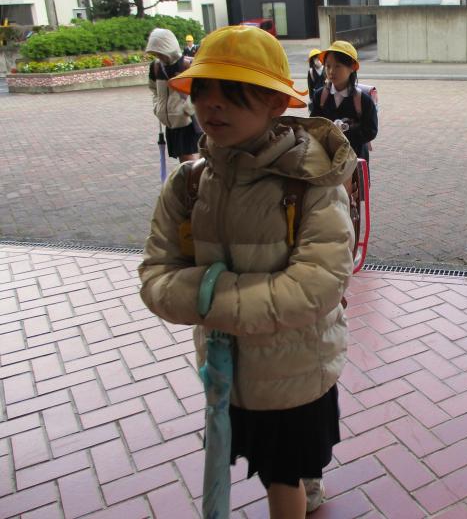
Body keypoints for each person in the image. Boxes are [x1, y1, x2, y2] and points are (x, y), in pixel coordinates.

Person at [139, 25, 357, 518]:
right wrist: (215, 299)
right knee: (265, 466)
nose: (212, 104)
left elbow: (316, 286)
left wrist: (206, 296)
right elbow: (155, 276)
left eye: (233, 92)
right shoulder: (189, 184)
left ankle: (306, 484)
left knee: (283, 477)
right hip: (226, 374)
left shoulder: (312, 183)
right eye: (203, 90)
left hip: (294, 373)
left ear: (276, 103)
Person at [309, 40, 378, 164]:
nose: (331, 71)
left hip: (354, 159)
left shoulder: (363, 100)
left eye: (337, 66)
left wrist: (345, 132)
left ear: (352, 67)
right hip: (328, 159)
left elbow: (370, 130)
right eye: (328, 66)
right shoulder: (319, 96)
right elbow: (313, 125)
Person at [146, 28, 201, 163]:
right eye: (156, 53)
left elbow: (201, 90)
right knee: (185, 162)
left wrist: (188, 109)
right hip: (170, 123)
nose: (159, 56)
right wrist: (157, 107)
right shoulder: (155, 67)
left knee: (191, 161)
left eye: (160, 52)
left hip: (187, 122)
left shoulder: (187, 65)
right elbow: (153, 88)